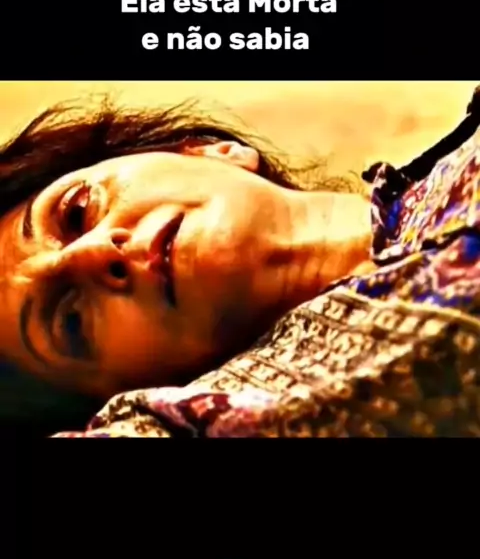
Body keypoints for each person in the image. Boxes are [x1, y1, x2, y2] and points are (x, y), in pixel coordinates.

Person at [1, 88, 480, 437]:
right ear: (109, 397)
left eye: (76, 213)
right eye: (71, 320)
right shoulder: (179, 424)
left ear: (210, 151)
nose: (94, 254)